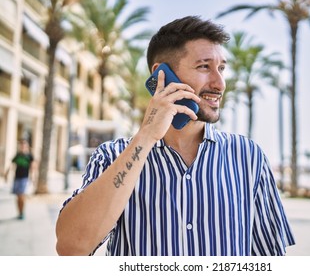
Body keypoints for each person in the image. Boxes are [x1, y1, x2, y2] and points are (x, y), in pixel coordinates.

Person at [56, 16, 295, 256]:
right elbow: (71, 248)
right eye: (204, 66)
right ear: (161, 75)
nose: (220, 83)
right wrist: (146, 136)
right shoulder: (112, 157)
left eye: (221, 68)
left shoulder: (248, 157)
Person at [4, 139, 36, 220]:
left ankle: (22, 212)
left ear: (27, 146)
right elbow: (11, 164)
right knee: (18, 197)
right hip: (16, 178)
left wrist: (33, 177)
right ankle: (20, 212)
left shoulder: (29, 156)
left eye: (24, 145)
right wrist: (6, 173)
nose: (22, 147)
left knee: (21, 196)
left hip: (24, 179)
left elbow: (33, 167)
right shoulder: (17, 155)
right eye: (21, 145)